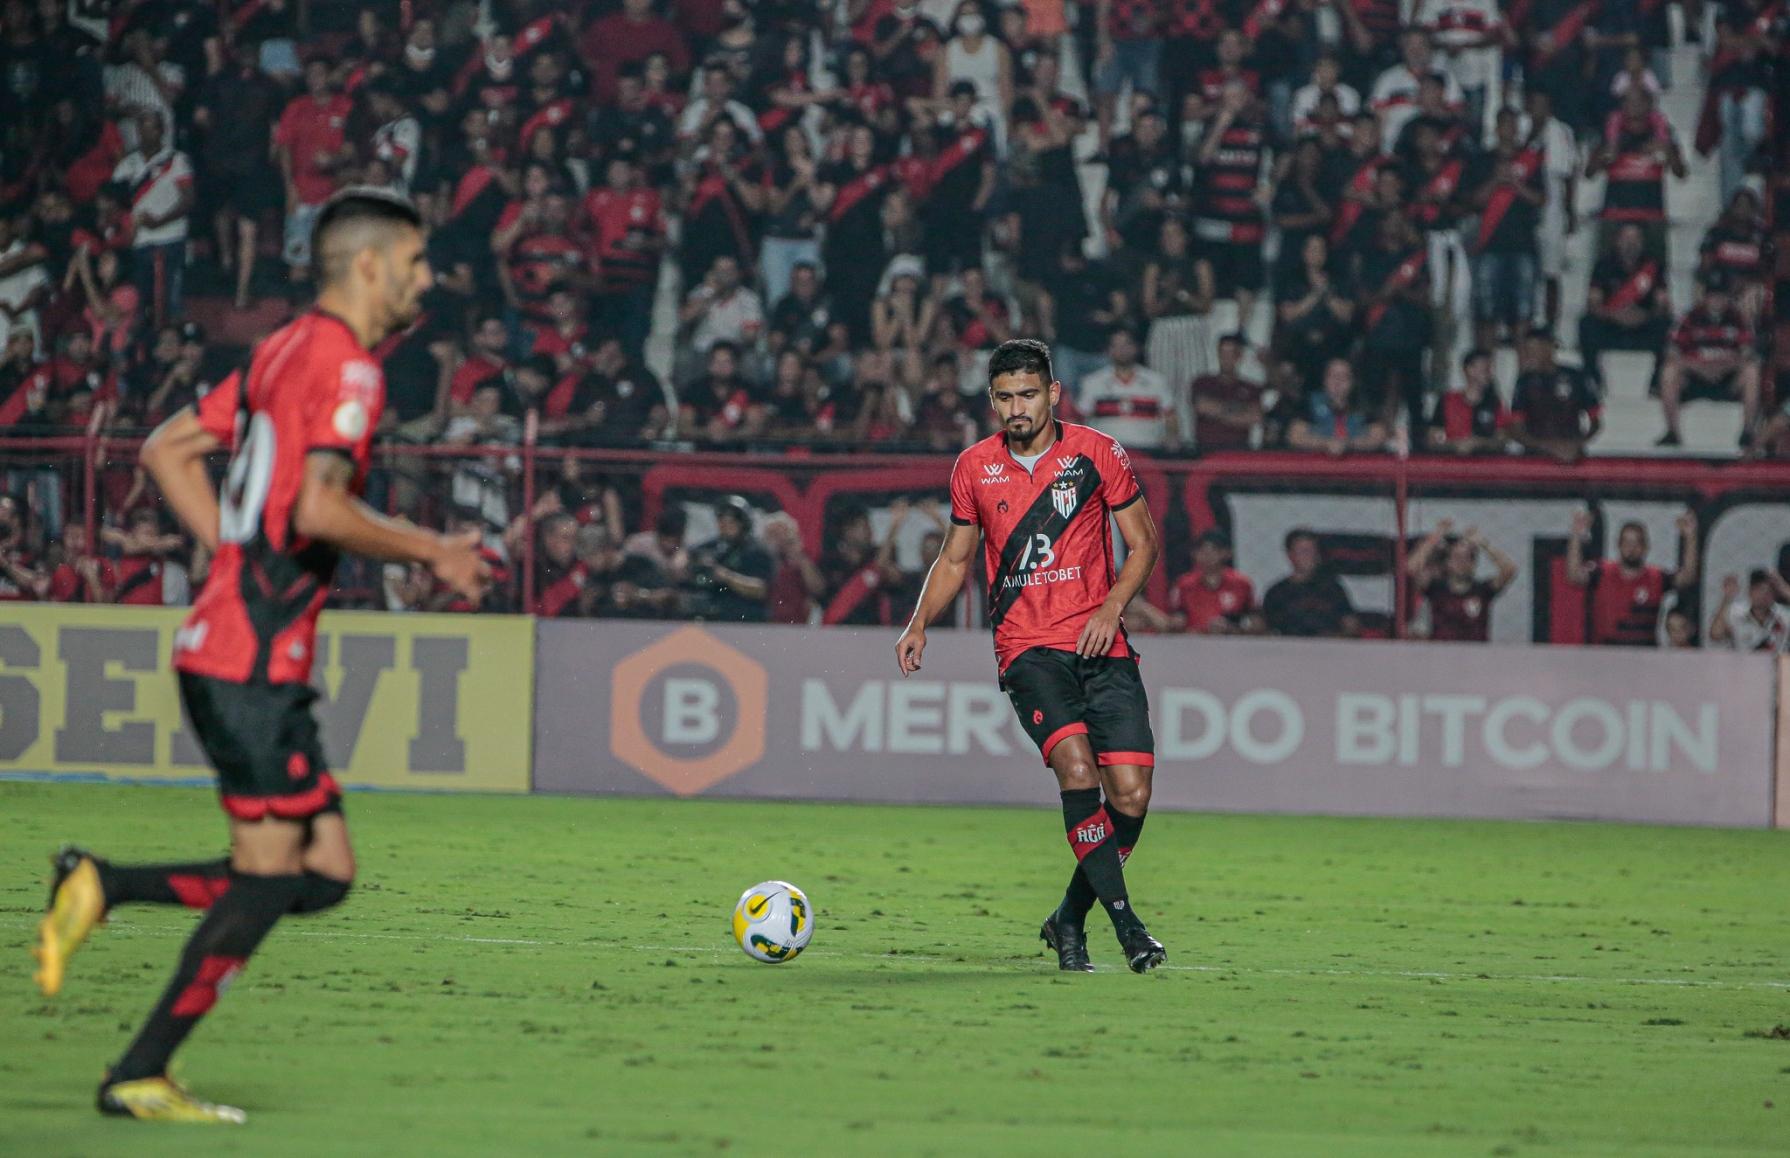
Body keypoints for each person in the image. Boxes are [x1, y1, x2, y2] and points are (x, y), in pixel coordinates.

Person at [32, 189, 490, 1123]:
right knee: (273, 874)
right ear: (368, 265)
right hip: (248, 666)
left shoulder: (279, 349)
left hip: (239, 655)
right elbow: (319, 510)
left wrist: (230, 558)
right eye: (414, 262)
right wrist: (434, 550)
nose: (425, 278)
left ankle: (104, 883)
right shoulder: (352, 370)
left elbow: (167, 450)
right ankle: (139, 1073)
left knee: (323, 876)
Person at [895, 338, 1166, 974]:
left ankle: (1068, 918)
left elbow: (1144, 545)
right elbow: (956, 558)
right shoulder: (973, 467)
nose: (1017, 408)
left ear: (1053, 394)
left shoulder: (1098, 453)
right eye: (1005, 397)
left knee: (1130, 795)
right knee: (1078, 773)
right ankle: (1127, 928)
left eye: (1027, 394)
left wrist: (1109, 609)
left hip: (1102, 643)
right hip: (1028, 650)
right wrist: (918, 624)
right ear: (992, 401)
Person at [1656, 272, 1760, 449]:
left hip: (1727, 379)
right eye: (1712, 295)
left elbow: (1748, 354)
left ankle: (1747, 431)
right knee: (1669, 372)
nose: (1716, 300)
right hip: (1695, 378)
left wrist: (1723, 366)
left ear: (1727, 297)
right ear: (1705, 297)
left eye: (1720, 295)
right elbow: (1672, 353)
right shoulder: (1690, 317)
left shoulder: (1738, 319)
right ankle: (1672, 432)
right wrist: (1698, 366)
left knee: (1751, 372)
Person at [1565, 510, 1698, 647]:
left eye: (1637, 543)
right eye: (1627, 542)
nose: (1631, 548)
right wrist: (1576, 534)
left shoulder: (1656, 577)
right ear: (1619, 545)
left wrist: (1690, 537)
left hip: (1645, 656)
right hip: (1606, 655)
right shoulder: (1602, 572)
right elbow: (1574, 576)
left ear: (1646, 547)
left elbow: (1687, 577)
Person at [1406, 520, 1517, 641]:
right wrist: (1436, 536)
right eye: (1456, 558)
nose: (1461, 563)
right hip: (1441, 653)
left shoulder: (1482, 590)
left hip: (1475, 655)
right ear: (1448, 562)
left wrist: (1484, 544)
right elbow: (1411, 567)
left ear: (1473, 564)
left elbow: (1509, 569)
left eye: (1467, 558)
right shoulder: (1436, 588)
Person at [1506, 330, 1600, 463]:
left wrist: (1577, 443)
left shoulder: (1576, 376)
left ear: (1549, 347)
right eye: (1528, 349)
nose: (1531, 354)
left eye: (1535, 348)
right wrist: (1545, 446)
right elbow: (1515, 427)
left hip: (1571, 454)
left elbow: (1595, 421)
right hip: (1536, 455)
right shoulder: (1524, 382)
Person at [1077, 327, 1177, 449]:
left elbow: (1171, 418)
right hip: (1106, 455)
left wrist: (1172, 438)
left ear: (1136, 348)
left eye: (1126, 344)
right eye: (1116, 345)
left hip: (1149, 453)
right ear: (1108, 350)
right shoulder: (1093, 382)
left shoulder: (1156, 381)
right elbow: (1079, 419)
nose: (1121, 350)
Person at [684, 495, 775, 622]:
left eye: (731, 522)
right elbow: (688, 560)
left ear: (743, 523)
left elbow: (761, 590)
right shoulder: (710, 547)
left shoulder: (757, 551)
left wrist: (726, 576)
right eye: (722, 521)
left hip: (745, 618)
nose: (725, 526)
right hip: (712, 615)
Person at [1262, 529, 1359, 637]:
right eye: (1303, 551)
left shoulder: (1332, 588)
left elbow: (1351, 626)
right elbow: (1265, 628)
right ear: (1290, 555)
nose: (1309, 556)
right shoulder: (1277, 593)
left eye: (1312, 551)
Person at [1167, 530, 1256, 633]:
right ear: (1194, 554)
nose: (1207, 556)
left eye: (1214, 550)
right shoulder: (1184, 584)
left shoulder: (1242, 584)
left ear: (1227, 553)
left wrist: (1231, 628)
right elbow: (1176, 615)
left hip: (1231, 642)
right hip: (1193, 642)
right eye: (1201, 550)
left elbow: (1253, 620)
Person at [1708, 569, 1790, 652]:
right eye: (1758, 590)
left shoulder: (1784, 615)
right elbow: (1716, 635)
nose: (1763, 595)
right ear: (1749, 591)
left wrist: (1785, 590)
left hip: (1777, 663)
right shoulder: (1736, 613)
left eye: (1768, 591)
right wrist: (1727, 598)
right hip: (1744, 663)